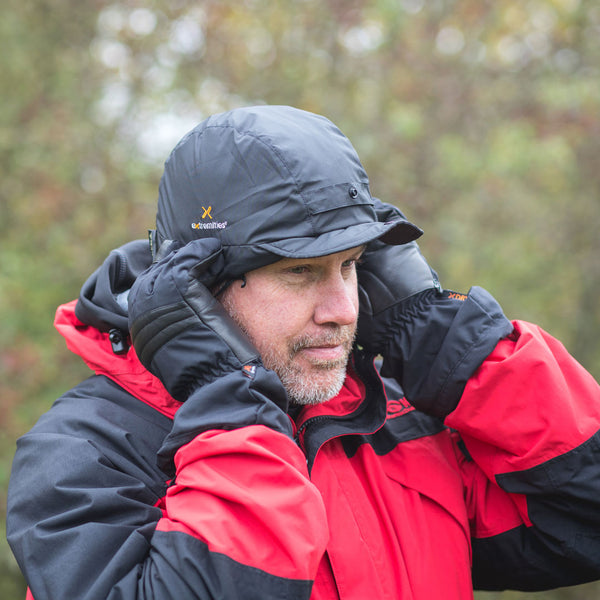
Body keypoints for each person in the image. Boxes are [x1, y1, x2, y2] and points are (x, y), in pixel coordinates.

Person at [6, 105, 600, 600]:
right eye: (300, 272)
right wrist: (228, 400)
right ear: (200, 289)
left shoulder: (396, 422)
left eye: (350, 266)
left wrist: (449, 340)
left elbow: (584, 518)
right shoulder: (86, 454)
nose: (342, 308)